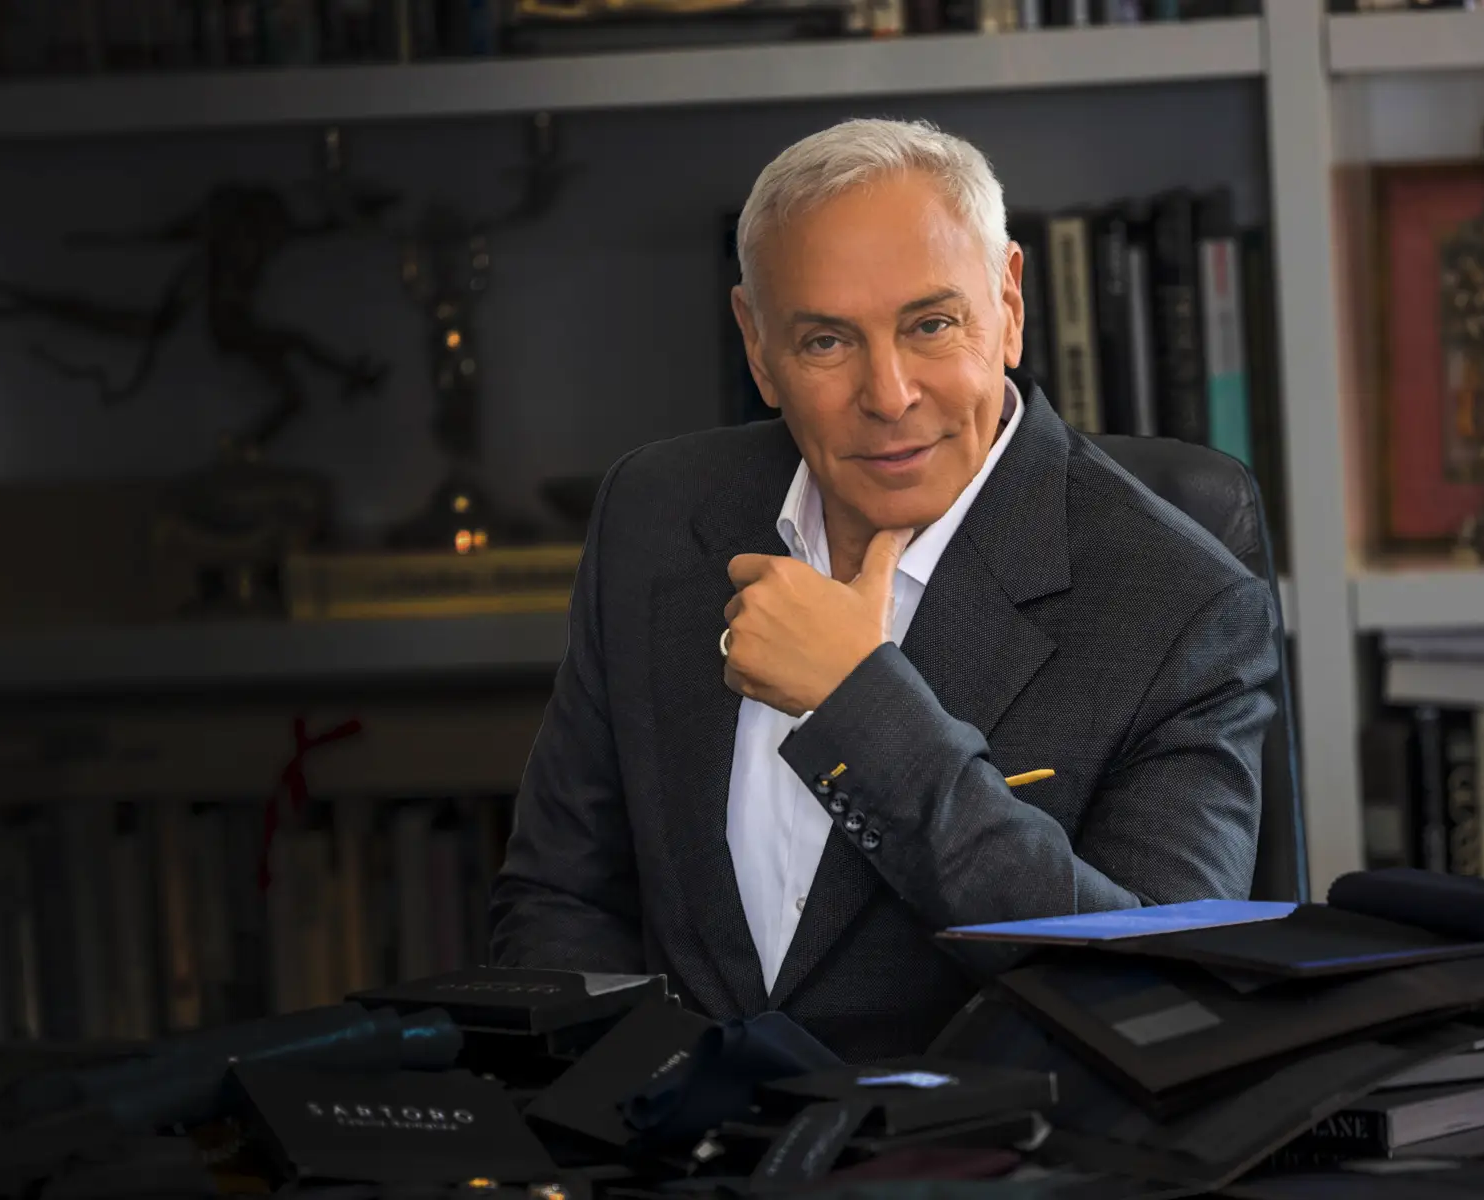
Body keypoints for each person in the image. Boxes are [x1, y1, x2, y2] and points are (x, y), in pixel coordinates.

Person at [486, 117, 1279, 1061]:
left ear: (1011, 304)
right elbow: (563, 899)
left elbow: (1164, 996)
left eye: (931, 324)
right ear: (757, 345)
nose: (890, 393)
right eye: (827, 342)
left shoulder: (1183, 605)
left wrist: (861, 705)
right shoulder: (654, 513)